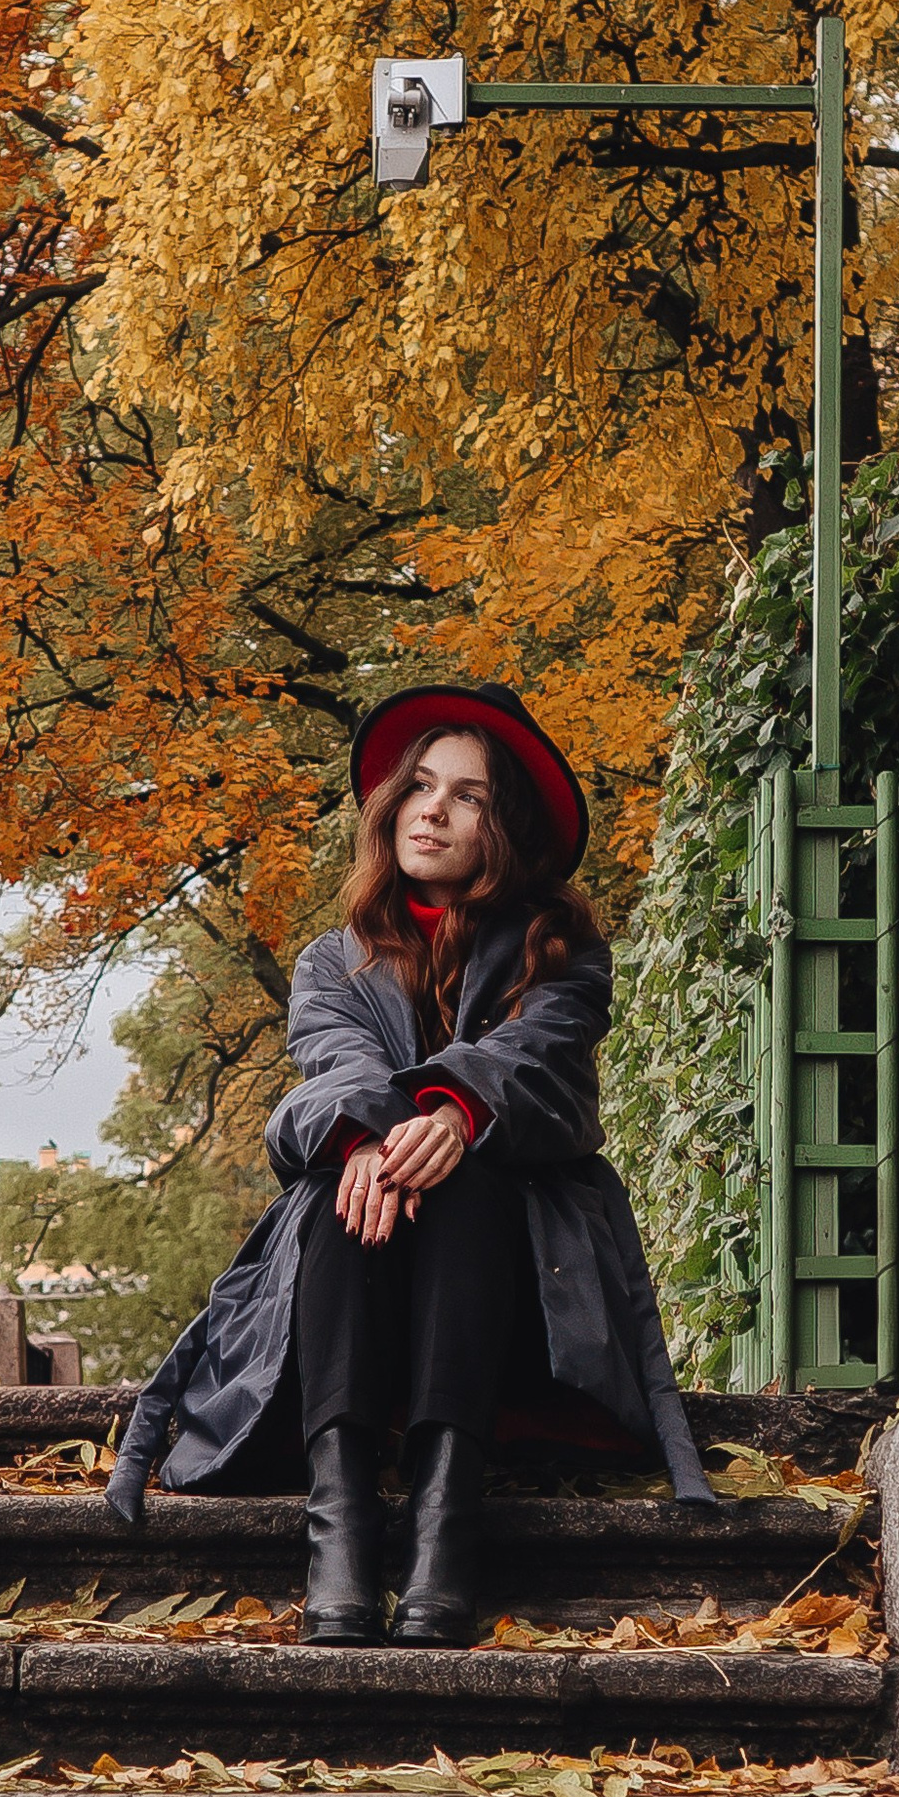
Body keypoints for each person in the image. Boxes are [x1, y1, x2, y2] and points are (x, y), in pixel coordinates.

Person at [106, 678, 714, 1641]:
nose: (432, 809)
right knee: (345, 1185)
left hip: (518, 1307)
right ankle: (341, 1540)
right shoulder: (331, 960)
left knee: (462, 1177)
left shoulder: (561, 953)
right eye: (421, 786)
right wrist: (368, 1139)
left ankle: (443, 1539)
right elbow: (333, 1067)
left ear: (503, 826)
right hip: (355, 1295)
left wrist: (455, 1114)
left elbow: (538, 1065)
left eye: (468, 795)